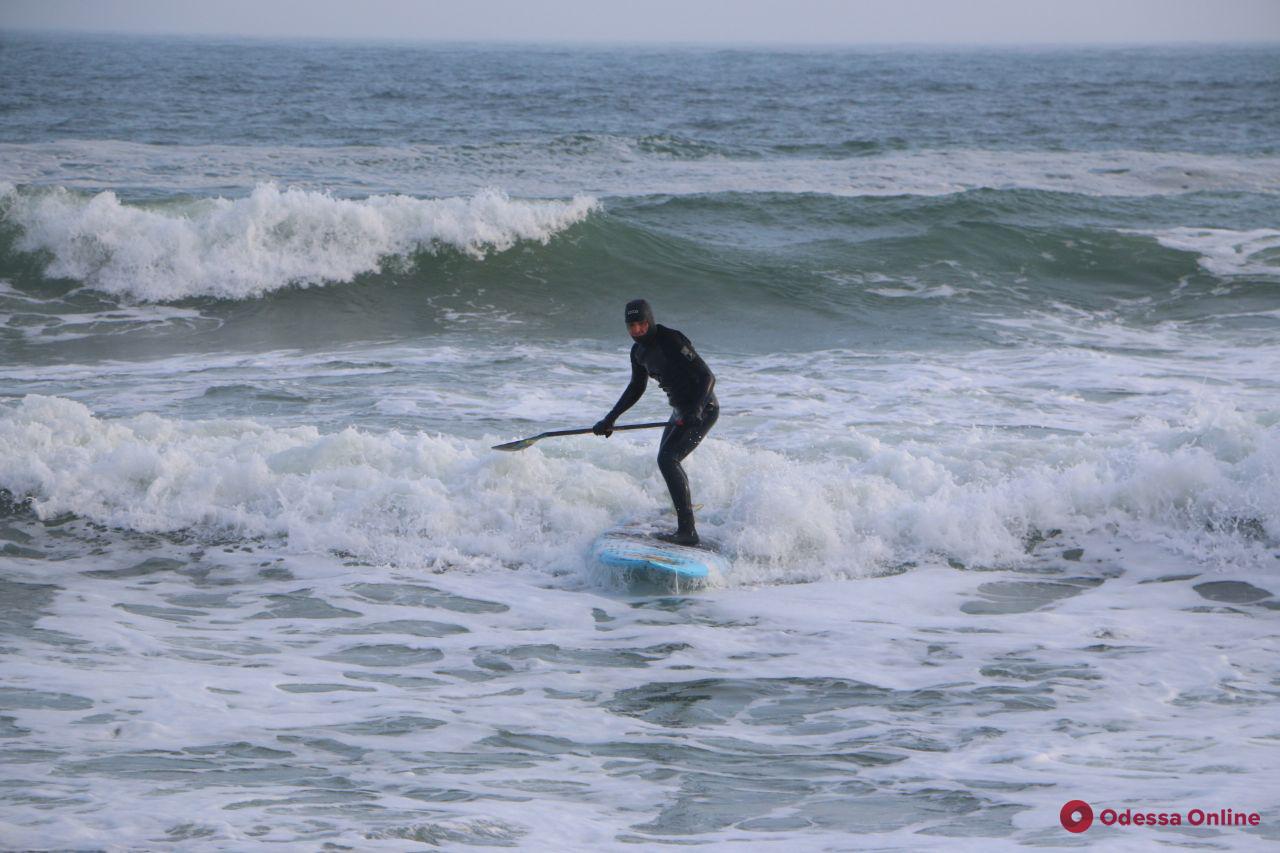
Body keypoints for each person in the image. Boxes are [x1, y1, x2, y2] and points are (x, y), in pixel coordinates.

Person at [594, 299, 718, 546]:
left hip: (703, 409)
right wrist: (610, 419)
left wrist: (696, 409)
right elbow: (635, 388)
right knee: (666, 458)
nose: (637, 330)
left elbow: (707, 376)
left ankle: (688, 532)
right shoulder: (638, 352)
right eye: (632, 326)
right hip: (679, 412)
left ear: (650, 321)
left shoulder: (671, 340)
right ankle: (682, 508)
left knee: (668, 459)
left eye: (642, 324)